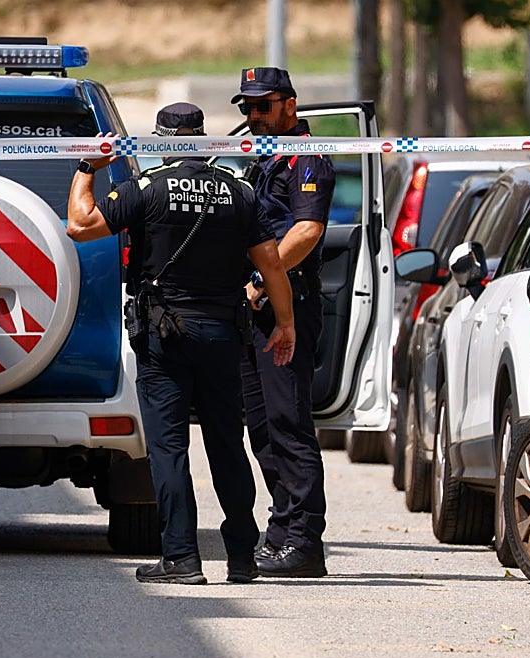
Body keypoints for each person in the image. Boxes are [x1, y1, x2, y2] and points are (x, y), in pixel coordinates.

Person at [66, 102, 296, 585]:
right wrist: (285, 323)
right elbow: (272, 264)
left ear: (160, 138)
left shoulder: (146, 189)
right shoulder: (239, 192)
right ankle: (241, 557)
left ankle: (181, 559)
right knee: (227, 446)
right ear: (202, 135)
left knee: (169, 448)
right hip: (221, 334)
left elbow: (79, 226)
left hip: (164, 335)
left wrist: (88, 168)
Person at [232, 66, 336, 578]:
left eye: (263, 107)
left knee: (289, 426)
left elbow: (308, 230)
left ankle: (304, 541)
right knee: (262, 428)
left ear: (289, 105)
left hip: (285, 306)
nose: (253, 117)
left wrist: (258, 281)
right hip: (256, 311)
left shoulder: (305, 157)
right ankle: (281, 530)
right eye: (247, 108)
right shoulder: (260, 156)